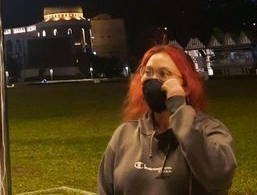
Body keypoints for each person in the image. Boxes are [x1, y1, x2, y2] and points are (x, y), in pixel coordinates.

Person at [98, 44, 236, 194]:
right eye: (148, 72)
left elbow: (218, 178)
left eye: (164, 74)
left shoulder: (210, 131)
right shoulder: (124, 135)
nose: (153, 80)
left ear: (186, 86)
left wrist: (179, 109)